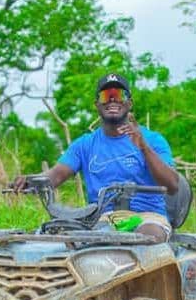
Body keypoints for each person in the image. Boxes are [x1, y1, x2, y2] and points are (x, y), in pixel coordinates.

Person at [13, 73, 179, 242]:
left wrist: (143, 147)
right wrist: (30, 181)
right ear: (97, 105)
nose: (113, 100)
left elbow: (172, 185)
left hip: (147, 218)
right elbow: (55, 175)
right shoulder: (84, 145)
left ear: (129, 103)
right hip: (103, 220)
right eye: (106, 96)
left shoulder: (153, 140)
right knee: (66, 242)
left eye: (119, 95)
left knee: (145, 239)